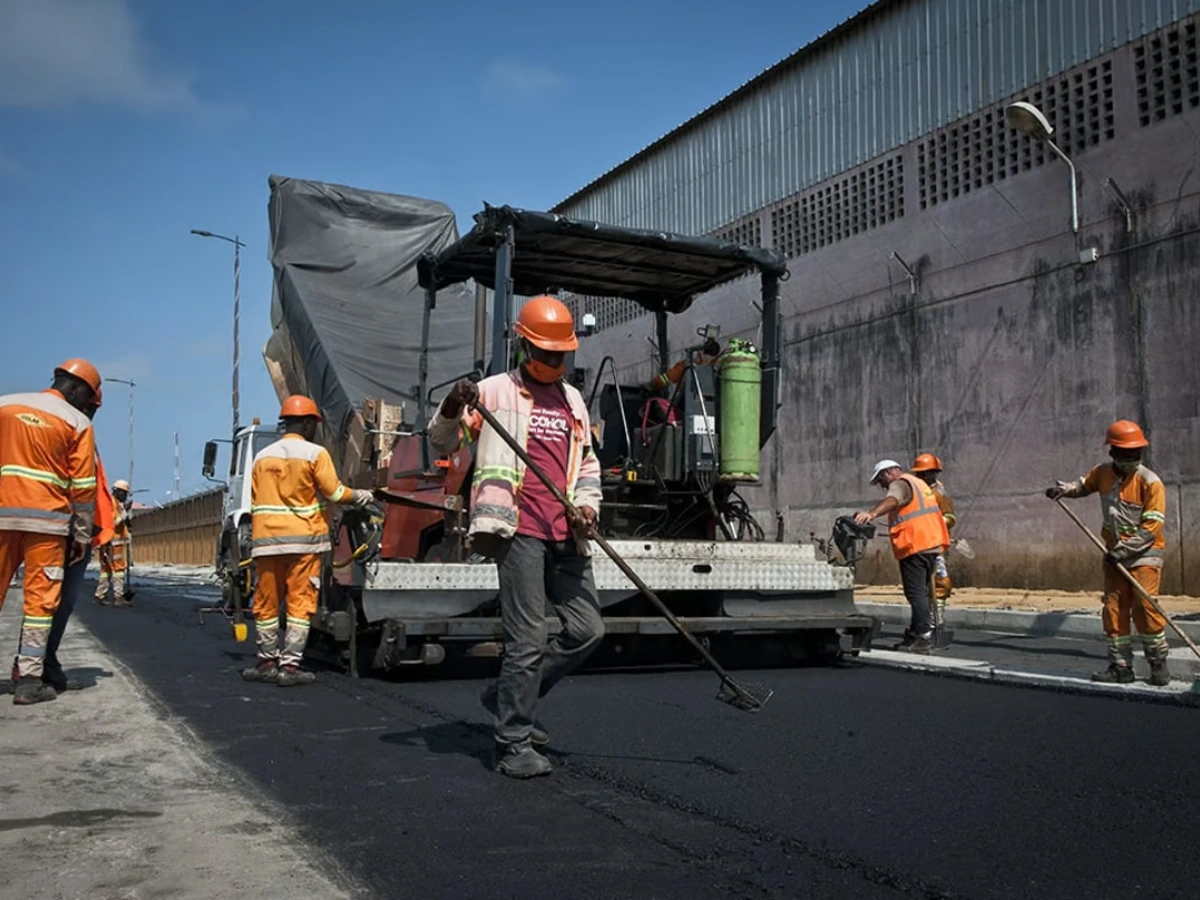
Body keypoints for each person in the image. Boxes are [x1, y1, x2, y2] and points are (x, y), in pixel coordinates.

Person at [430, 295, 605, 779]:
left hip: (565, 533)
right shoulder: (490, 393)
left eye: (561, 355)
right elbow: (442, 441)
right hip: (517, 529)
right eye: (546, 353)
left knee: (589, 630)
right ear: (524, 345)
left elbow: (586, 464)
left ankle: (506, 697)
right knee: (528, 637)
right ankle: (512, 742)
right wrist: (450, 405)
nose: (554, 362)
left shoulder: (572, 399)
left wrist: (587, 506)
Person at [242, 395, 373, 687]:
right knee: (300, 604)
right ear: (304, 423)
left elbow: (255, 502)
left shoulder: (263, 458)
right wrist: (361, 495)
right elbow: (336, 494)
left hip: (267, 543)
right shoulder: (316, 454)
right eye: (313, 423)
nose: (315, 428)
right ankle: (289, 667)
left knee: (266, 602)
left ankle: (266, 661)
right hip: (303, 544)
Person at [0, 358, 100, 704]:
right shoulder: (76, 422)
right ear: (75, 389)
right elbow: (84, 488)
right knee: (41, 604)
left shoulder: (5, 406)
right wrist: (82, 536)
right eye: (88, 399)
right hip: (48, 525)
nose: (87, 406)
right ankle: (28, 681)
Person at [1046, 420, 1171, 685]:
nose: (1131, 459)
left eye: (1136, 454)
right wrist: (1063, 491)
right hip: (1114, 555)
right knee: (1114, 610)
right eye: (1126, 454)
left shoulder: (1151, 482)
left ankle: (1157, 662)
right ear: (1113, 452)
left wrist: (1124, 550)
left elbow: (1151, 528)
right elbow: (1083, 486)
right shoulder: (1102, 473)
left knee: (1146, 608)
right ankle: (1121, 667)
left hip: (1144, 555)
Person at [854, 459, 950, 654]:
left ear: (888, 473)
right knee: (920, 592)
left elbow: (893, 500)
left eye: (881, 480)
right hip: (930, 544)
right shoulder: (919, 484)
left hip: (915, 545)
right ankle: (916, 633)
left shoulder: (900, 483)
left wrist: (871, 514)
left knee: (914, 593)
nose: (882, 485)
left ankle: (924, 634)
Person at [912, 452, 956, 632]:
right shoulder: (914, 492)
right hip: (915, 544)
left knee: (941, 581)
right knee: (917, 586)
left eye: (925, 473)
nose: (921, 476)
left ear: (934, 473)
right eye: (919, 473)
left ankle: (936, 620)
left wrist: (933, 524)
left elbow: (950, 517)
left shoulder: (939, 493)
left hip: (935, 544)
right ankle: (920, 623)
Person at [94, 478, 132, 606]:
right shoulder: (111, 503)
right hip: (113, 542)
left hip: (106, 541)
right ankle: (118, 597)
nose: (125, 496)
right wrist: (123, 515)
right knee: (119, 569)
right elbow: (112, 523)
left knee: (105, 570)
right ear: (118, 492)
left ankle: (100, 595)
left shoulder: (114, 503)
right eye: (124, 493)